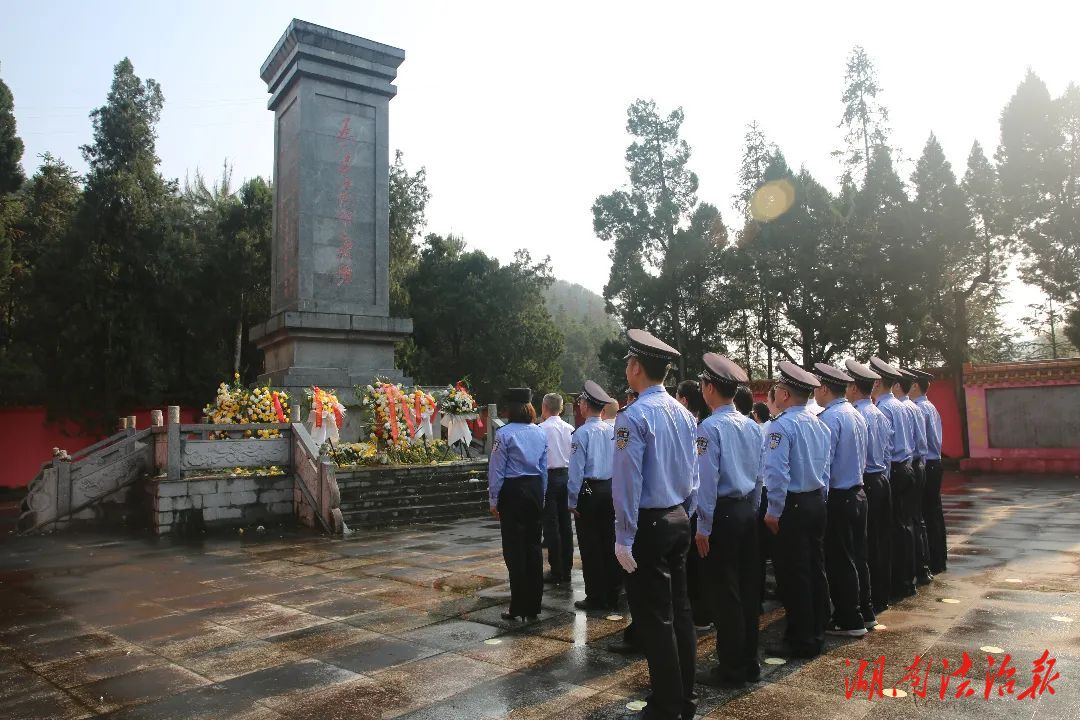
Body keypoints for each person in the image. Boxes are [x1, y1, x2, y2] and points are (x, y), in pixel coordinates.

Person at [613, 329, 698, 720]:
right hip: (679, 517)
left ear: (636, 368)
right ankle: (685, 698)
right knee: (680, 613)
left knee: (654, 618)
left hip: (649, 523)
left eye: (629, 362)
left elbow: (628, 483)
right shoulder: (684, 412)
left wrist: (624, 536)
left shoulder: (633, 416)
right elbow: (693, 474)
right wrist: (686, 513)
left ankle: (666, 704)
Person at [694, 353, 764, 688]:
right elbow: (760, 476)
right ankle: (749, 660)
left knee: (726, 594)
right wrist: (753, 508)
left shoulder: (709, 428)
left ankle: (731, 667)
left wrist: (703, 526)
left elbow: (706, 482)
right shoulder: (751, 425)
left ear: (708, 389)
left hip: (722, 514)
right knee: (749, 590)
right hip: (746, 511)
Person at [762, 361, 831, 659]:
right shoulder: (820, 423)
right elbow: (825, 469)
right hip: (816, 501)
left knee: (793, 574)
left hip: (794, 505)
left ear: (785, 394)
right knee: (815, 568)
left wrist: (774, 510)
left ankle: (801, 638)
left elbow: (777, 475)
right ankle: (816, 630)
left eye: (777, 388)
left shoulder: (781, 426)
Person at [812, 363, 874, 637]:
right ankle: (865, 610)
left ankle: (849, 618)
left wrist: (821, 502)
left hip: (839, 495)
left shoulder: (829, 419)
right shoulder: (855, 414)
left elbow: (824, 467)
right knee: (858, 555)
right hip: (858, 492)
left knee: (840, 559)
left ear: (825, 388)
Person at [488, 387, 548, 621]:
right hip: (534, 489)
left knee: (514, 551)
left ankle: (518, 605)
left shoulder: (504, 434)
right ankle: (533, 605)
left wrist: (494, 499)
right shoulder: (540, 433)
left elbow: (497, 471)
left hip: (513, 492)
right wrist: (541, 496)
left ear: (510, 409)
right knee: (534, 548)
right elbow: (543, 470)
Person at [845, 359, 894, 616]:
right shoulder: (878, 413)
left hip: (865, 481)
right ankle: (881, 595)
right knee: (880, 540)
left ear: (853, 387)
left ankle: (868, 599)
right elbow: (887, 453)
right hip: (881, 479)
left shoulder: (858, 415)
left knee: (863, 546)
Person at [569, 381, 620, 611]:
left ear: (587, 405)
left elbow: (576, 472)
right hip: (610, 488)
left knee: (590, 545)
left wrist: (572, 500)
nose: (579, 405)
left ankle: (595, 595)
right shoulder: (612, 430)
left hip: (589, 489)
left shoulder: (582, 433)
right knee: (609, 541)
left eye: (580, 402)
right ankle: (613, 592)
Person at [869, 357, 917, 602]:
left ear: (877, 382)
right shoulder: (901, 406)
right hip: (906, 466)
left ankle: (897, 582)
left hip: (894, 471)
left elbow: (884, 448)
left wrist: (884, 478)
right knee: (904, 526)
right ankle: (906, 580)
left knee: (890, 531)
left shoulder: (884, 409)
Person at [675, 379, 711, 630]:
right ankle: (704, 614)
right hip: (715, 506)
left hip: (694, 507)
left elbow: (694, 476)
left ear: (684, 401)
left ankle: (698, 616)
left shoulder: (694, 430)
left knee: (695, 568)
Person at [910, 369, 946, 574]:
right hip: (934, 463)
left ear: (915, 385)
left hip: (927, 463)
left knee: (924, 515)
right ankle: (938, 560)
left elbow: (918, 444)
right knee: (933, 515)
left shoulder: (919, 409)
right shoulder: (928, 407)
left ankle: (930, 561)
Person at [898, 370, 933, 586]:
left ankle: (907, 576)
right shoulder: (915, 408)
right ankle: (921, 568)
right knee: (915, 520)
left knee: (902, 524)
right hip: (917, 464)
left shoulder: (892, 409)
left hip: (902, 468)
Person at [539, 393, 574, 584]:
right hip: (566, 476)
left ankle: (556, 568)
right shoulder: (570, 428)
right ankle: (567, 567)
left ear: (544, 407)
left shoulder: (541, 429)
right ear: (560, 408)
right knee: (566, 524)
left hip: (549, 477)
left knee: (551, 525)